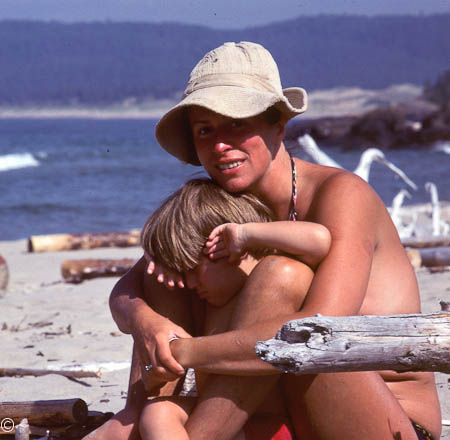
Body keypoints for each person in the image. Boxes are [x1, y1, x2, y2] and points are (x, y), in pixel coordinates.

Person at [100, 41, 441, 440]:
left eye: (237, 124)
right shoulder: (220, 202)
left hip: (385, 421)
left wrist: (182, 351)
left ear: (278, 124)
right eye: (205, 131)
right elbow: (132, 286)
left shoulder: (340, 195)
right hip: (284, 415)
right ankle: (136, 415)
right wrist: (147, 323)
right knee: (171, 268)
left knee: (280, 275)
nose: (220, 145)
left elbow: (318, 335)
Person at [137, 177, 330, 439]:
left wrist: (245, 234)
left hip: (276, 426)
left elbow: (319, 240)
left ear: (228, 248)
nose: (189, 283)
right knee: (158, 412)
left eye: (192, 268)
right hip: (228, 424)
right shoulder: (212, 302)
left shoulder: (281, 279)